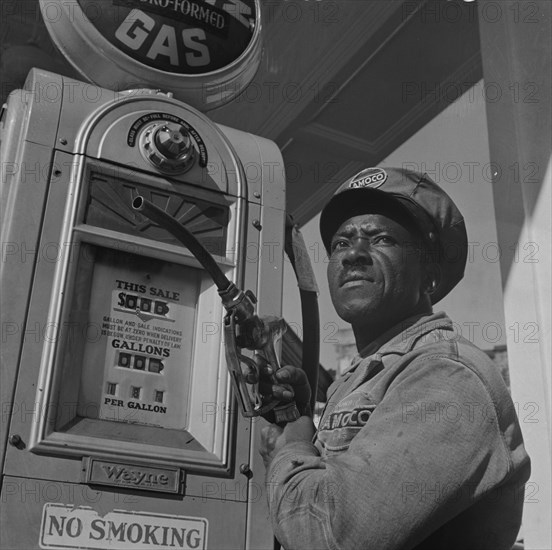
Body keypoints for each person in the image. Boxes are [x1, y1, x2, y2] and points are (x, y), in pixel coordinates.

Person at [258, 167, 531, 550]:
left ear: (430, 277)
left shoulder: (446, 375)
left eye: (381, 238)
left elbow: (328, 534)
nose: (353, 254)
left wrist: (291, 448)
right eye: (340, 243)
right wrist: (302, 423)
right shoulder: (366, 377)